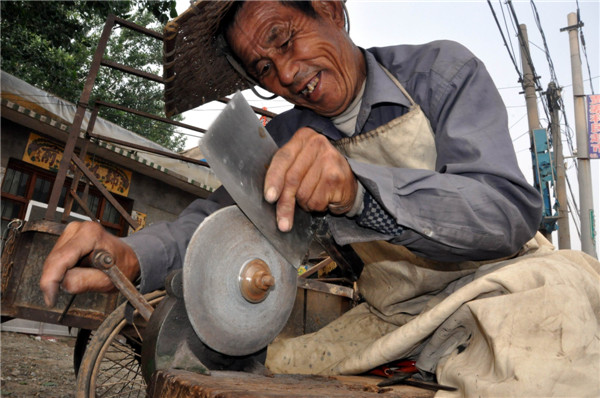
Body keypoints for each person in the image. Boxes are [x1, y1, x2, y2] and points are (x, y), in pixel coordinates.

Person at [41, 1, 599, 396]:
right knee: (264, 374)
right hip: (394, 318)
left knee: (553, 355)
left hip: (508, 285)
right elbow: (213, 222)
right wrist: (131, 253)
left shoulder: (440, 73)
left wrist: (359, 190)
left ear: (330, 9)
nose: (285, 73)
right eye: (264, 68)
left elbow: (504, 209)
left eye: (284, 39)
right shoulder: (282, 140)